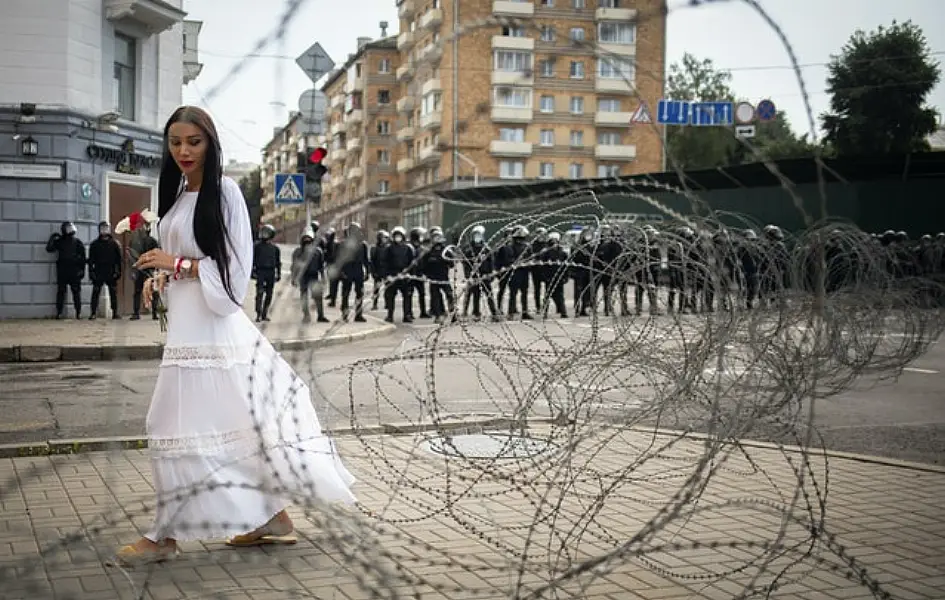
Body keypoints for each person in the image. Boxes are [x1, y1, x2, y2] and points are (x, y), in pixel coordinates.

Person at [111, 105, 355, 566]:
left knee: (169, 426)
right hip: (189, 332)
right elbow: (189, 262)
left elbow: (233, 279)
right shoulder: (180, 194)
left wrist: (175, 265)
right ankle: (273, 519)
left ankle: (163, 536)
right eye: (176, 142)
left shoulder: (224, 193)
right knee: (232, 429)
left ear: (211, 144)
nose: (183, 150)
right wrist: (160, 278)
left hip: (215, 336)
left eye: (194, 142)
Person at [46, 221, 86, 319]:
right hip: (63, 270)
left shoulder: (77, 242)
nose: (70, 230)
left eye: (71, 228)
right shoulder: (60, 241)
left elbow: (83, 258)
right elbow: (49, 249)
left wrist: (82, 270)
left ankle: (78, 313)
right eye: (68, 228)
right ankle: (59, 312)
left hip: (74, 270)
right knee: (61, 292)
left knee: (76, 292)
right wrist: (52, 238)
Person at [87, 220, 122, 320]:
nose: (104, 230)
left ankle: (115, 312)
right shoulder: (94, 244)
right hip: (99, 270)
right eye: (102, 228)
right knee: (96, 291)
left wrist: (118, 271)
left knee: (113, 292)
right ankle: (93, 312)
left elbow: (119, 260)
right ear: (99, 230)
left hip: (111, 271)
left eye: (106, 228)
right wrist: (91, 272)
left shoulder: (114, 244)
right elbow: (90, 260)